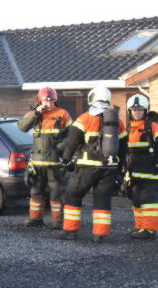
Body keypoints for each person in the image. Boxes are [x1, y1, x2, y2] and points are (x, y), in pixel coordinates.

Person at [58, 86, 127, 243]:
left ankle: (70, 231)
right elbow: (124, 146)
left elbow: (71, 142)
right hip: (110, 168)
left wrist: (66, 160)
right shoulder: (118, 121)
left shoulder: (85, 118)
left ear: (91, 98)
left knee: (73, 194)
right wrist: (120, 166)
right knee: (102, 199)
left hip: (87, 167)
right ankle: (99, 234)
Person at [17, 87, 72, 229]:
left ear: (55, 100)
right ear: (40, 100)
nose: (48, 103)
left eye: (51, 101)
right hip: (36, 163)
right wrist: (36, 113)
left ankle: (57, 221)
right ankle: (35, 219)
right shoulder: (35, 114)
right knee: (36, 191)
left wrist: (59, 148)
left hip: (55, 163)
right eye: (45, 101)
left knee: (56, 193)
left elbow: (72, 136)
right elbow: (22, 127)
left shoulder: (62, 114)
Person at [122, 94, 158, 240]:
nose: (136, 112)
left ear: (145, 110)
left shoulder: (152, 125)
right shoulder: (130, 126)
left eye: (140, 110)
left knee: (148, 199)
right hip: (134, 170)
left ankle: (149, 229)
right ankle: (140, 226)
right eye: (134, 110)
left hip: (151, 171)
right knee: (136, 198)